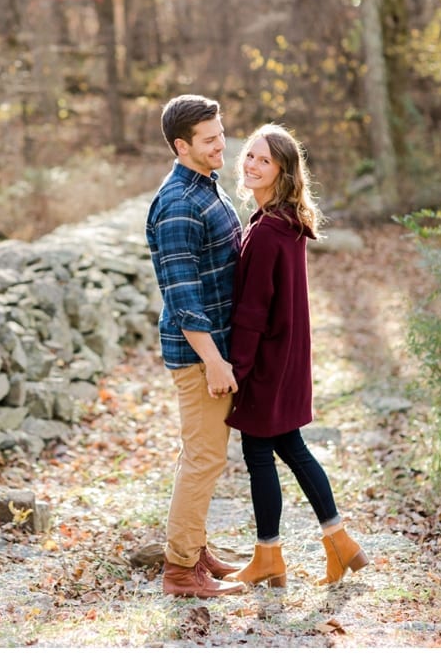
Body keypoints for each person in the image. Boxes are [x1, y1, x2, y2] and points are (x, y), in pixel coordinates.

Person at [222, 124, 370, 588]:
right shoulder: (283, 221)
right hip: (286, 358)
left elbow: (251, 311)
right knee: (291, 447)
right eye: (249, 155)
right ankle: (339, 543)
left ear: (282, 171)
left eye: (263, 160)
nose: (251, 165)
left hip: (266, 361)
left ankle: (269, 556)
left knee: (259, 453)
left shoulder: (269, 230)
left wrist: (236, 370)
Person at [144, 94, 245, 598]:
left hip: (220, 346)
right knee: (204, 458)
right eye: (209, 140)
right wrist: (213, 362)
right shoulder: (179, 205)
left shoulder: (204, 183)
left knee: (203, 454)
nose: (221, 145)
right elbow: (183, 299)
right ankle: (180, 571)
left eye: (221, 133)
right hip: (201, 355)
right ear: (181, 145)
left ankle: (195, 548)